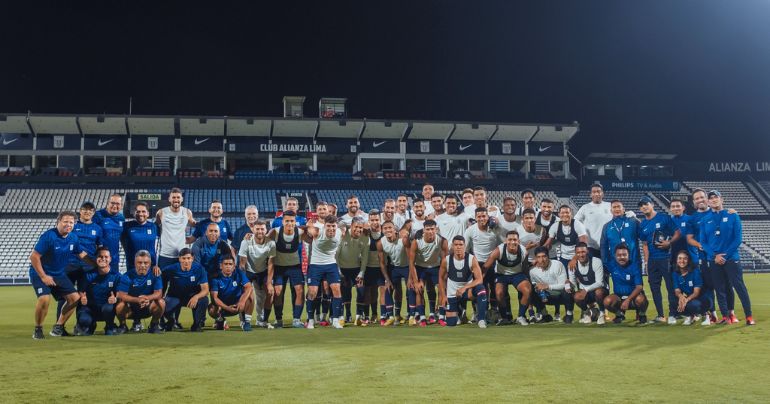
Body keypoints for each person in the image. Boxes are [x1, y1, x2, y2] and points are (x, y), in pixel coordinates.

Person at [29, 211, 96, 339]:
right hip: (40, 272)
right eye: (65, 221)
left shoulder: (73, 237)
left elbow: (81, 253)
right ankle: (38, 329)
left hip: (58, 274)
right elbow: (34, 256)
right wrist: (43, 276)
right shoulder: (49, 236)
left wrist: (96, 264)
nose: (68, 224)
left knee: (74, 298)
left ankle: (58, 327)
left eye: (71, 222)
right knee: (44, 299)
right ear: (58, 222)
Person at [700, 190, 754, 325]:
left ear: (721, 199)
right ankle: (725, 316)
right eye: (710, 198)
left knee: (739, 286)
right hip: (714, 259)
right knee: (719, 288)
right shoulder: (705, 220)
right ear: (708, 202)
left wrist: (725, 255)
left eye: (715, 197)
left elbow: (738, 239)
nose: (713, 200)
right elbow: (703, 242)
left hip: (731, 258)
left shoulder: (732, 215)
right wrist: (714, 256)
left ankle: (749, 316)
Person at [686, 188, 733, 323]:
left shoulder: (720, 213)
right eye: (697, 198)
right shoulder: (692, 218)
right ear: (694, 202)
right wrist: (700, 245)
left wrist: (732, 212)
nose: (700, 200)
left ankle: (731, 313)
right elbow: (689, 239)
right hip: (704, 258)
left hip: (723, 257)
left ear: (707, 198)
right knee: (708, 286)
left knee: (726, 285)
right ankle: (712, 313)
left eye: (702, 197)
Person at [638, 196, 681, 324]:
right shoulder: (643, 224)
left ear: (652, 205)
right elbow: (644, 244)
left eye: (646, 204)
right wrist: (646, 261)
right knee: (654, 288)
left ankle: (673, 314)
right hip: (652, 261)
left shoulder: (663, 218)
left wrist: (669, 243)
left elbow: (677, 233)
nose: (644, 207)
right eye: (641, 205)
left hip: (666, 258)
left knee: (670, 287)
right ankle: (661, 315)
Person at [57, 201, 102, 322]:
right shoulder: (72, 226)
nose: (87, 211)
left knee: (84, 296)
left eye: (90, 210)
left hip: (88, 269)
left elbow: (99, 248)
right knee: (65, 297)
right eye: (84, 209)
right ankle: (59, 325)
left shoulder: (97, 228)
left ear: (93, 212)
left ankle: (81, 324)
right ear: (80, 211)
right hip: (69, 266)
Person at [265, 211, 306, 328]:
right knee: (278, 291)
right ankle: (279, 320)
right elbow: (262, 241)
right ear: (282, 221)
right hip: (279, 267)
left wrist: (310, 228)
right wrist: (250, 236)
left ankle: (296, 320)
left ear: (295, 222)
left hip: (295, 266)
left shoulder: (300, 232)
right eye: (287, 221)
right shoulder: (275, 232)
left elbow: (314, 239)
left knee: (300, 290)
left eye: (292, 221)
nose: (289, 223)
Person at [303, 215, 344, 329]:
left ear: (337, 226)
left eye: (333, 226)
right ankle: (310, 320)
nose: (331, 228)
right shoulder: (317, 232)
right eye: (328, 226)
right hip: (315, 265)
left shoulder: (340, 232)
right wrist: (309, 225)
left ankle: (335, 320)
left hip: (331, 264)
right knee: (312, 292)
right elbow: (308, 228)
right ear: (324, 226)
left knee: (336, 290)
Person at [438, 236, 488, 328]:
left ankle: (481, 319)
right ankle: (459, 312)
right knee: (451, 323)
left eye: (461, 245)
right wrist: (443, 296)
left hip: (467, 291)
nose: (458, 247)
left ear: (465, 246)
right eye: (456, 245)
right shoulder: (446, 260)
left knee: (481, 289)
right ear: (452, 246)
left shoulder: (471, 259)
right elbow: (441, 278)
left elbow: (479, 279)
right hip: (452, 293)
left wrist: (465, 287)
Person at [484, 230, 531, 326]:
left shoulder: (524, 251)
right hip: (501, 275)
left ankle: (521, 317)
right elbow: (485, 267)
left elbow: (525, 268)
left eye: (515, 239)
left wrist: (528, 281)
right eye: (510, 239)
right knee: (499, 293)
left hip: (517, 274)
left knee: (527, 290)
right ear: (506, 241)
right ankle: (504, 318)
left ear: (518, 241)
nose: (512, 242)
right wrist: (479, 281)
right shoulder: (498, 251)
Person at [74, 247, 121, 336]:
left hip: (106, 309)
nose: (103, 259)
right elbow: (81, 291)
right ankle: (90, 325)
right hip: (90, 308)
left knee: (108, 308)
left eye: (106, 257)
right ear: (96, 258)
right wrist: (82, 297)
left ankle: (109, 326)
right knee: (84, 319)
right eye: (100, 256)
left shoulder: (117, 276)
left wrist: (115, 298)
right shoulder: (88, 275)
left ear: (110, 259)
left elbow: (120, 294)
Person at [463, 207, 500, 322]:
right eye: (479, 216)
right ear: (475, 218)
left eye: (484, 216)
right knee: (479, 288)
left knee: (494, 288)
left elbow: (501, 246)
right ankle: (477, 312)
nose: (482, 218)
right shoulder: (470, 230)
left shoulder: (495, 230)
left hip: (493, 263)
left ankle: (494, 312)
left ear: (488, 217)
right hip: (478, 264)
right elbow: (466, 249)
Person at [115, 250, 165, 334]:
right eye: (139, 262)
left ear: (150, 263)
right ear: (135, 263)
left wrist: (147, 298)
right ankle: (123, 325)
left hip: (148, 307)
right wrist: (137, 300)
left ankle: (154, 325)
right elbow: (122, 295)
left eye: (145, 263)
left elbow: (159, 293)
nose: (142, 265)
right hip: (131, 309)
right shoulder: (127, 276)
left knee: (161, 302)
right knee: (120, 305)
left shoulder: (155, 274)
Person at [408, 219, 447, 326]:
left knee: (441, 289)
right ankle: (422, 317)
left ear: (436, 229)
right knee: (419, 290)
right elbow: (411, 262)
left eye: (432, 229)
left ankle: (441, 316)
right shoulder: (416, 242)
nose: (430, 231)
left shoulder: (442, 241)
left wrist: (444, 278)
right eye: (428, 229)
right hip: (421, 268)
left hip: (436, 267)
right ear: (423, 230)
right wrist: (415, 281)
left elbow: (445, 261)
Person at [238, 220, 276, 328]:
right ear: (253, 229)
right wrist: (245, 282)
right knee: (247, 294)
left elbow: (271, 264)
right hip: (248, 271)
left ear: (266, 230)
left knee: (270, 293)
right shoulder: (246, 241)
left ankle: (263, 320)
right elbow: (242, 263)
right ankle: (243, 320)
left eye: (262, 229)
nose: (260, 231)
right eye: (257, 229)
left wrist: (269, 283)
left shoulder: (271, 243)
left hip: (262, 271)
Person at [162, 248, 209, 332]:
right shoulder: (171, 269)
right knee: (162, 305)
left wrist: (196, 297)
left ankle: (197, 324)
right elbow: (160, 276)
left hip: (191, 297)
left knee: (204, 300)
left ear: (192, 258)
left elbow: (205, 290)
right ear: (179, 259)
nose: (186, 261)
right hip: (174, 297)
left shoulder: (199, 269)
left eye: (188, 258)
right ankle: (171, 321)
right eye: (183, 258)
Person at [603, 244, 648, 324]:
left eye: (624, 255)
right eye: (619, 255)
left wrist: (628, 300)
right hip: (619, 298)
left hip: (633, 299)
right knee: (607, 301)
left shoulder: (634, 266)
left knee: (641, 299)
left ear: (628, 255)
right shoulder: (612, 265)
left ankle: (642, 314)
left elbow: (639, 287)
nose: (622, 257)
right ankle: (619, 315)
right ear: (615, 256)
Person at [336, 217, 369, 324]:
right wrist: (339, 271)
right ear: (351, 225)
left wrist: (362, 272)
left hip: (356, 269)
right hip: (343, 269)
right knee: (345, 292)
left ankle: (359, 316)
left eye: (360, 227)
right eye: (356, 227)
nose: (358, 229)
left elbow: (364, 257)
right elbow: (336, 255)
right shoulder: (343, 235)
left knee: (361, 290)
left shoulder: (365, 237)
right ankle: (347, 315)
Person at [528, 247, 574, 324]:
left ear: (548, 256)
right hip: (546, 297)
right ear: (536, 258)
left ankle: (569, 315)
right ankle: (545, 315)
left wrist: (547, 286)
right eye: (539, 257)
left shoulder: (557, 265)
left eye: (544, 256)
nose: (542, 260)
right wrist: (537, 287)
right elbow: (534, 284)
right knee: (529, 291)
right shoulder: (532, 270)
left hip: (561, 296)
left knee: (567, 289)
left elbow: (563, 285)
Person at [209, 255, 254, 331]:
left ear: (234, 267)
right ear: (221, 266)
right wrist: (227, 308)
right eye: (225, 264)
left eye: (230, 264)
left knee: (250, 295)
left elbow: (249, 287)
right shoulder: (215, 278)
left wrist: (242, 302)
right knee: (211, 309)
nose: (228, 266)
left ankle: (246, 322)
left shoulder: (239, 273)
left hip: (237, 306)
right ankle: (220, 320)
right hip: (222, 308)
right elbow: (215, 298)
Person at [156, 188, 196, 271]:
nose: (176, 200)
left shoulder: (187, 212)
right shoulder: (161, 212)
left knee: (179, 283)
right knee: (163, 282)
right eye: (173, 197)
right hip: (165, 256)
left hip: (181, 256)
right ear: (169, 199)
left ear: (182, 199)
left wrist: (192, 239)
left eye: (178, 197)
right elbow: (155, 228)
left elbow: (196, 225)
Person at [378, 220, 410, 325]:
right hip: (394, 267)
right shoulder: (380, 243)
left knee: (410, 288)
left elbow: (411, 259)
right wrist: (387, 279)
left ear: (395, 229)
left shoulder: (403, 240)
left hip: (406, 267)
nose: (388, 230)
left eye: (390, 228)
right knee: (388, 288)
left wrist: (411, 276)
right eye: (385, 228)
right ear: (382, 231)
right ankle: (391, 316)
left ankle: (408, 315)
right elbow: (382, 263)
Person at [569, 242, 607, 324]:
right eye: (578, 253)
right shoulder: (572, 265)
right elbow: (572, 283)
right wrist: (568, 285)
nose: (581, 255)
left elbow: (600, 283)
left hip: (599, 290)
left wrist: (586, 289)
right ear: (575, 254)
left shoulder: (596, 261)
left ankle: (602, 313)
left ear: (587, 252)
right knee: (576, 296)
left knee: (598, 292)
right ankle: (587, 313)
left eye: (583, 252)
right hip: (585, 293)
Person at [575, 183, 612, 259]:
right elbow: (575, 222)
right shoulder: (585, 208)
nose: (596, 194)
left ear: (602, 194)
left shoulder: (610, 206)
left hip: (608, 246)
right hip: (591, 247)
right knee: (592, 269)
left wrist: (629, 213)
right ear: (590, 194)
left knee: (606, 270)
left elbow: (620, 213)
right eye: (594, 192)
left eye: (598, 191)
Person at [599, 200, 640, 268]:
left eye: (618, 206)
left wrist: (637, 219)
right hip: (616, 264)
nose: (617, 209)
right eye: (614, 207)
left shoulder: (633, 221)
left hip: (634, 262)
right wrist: (605, 261)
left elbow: (644, 236)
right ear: (611, 211)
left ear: (623, 209)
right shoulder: (607, 226)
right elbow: (603, 246)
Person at [672, 250, 709, 325]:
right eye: (679, 258)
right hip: (689, 298)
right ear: (676, 260)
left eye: (685, 258)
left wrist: (686, 300)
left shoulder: (695, 272)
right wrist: (681, 297)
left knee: (693, 305)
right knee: (674, 302)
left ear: (688, 260)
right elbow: (677, 290)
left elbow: (696, 293)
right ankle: (690, 316)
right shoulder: (675, 273)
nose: (682, 261)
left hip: (702, 299)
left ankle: (705, 315)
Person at [360, 209, 384, 325]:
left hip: (380, 268)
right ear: (368, 221)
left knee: (377, 291)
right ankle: (366, 315)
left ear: (380, 220)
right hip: (367, 267)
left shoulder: (385, 232)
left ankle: (376, 314)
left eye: (377, 220)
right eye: (372, 220)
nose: (375, 222)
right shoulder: (365, 233)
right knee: (366, 292)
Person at [121, 202, 158, 274]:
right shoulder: (126, 226)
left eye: (143, 211)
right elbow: (122, 241)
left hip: (150, 267)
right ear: (134, 213)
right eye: (138, 211)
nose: (141, 214)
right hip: (133, 267)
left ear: (148, 213)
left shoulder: (153, 226)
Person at [94, 194, 125, 274]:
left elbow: (122, 237)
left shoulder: (121, 218)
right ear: (107, 203)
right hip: (100, 258)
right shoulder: (97, 215)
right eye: (112, 203)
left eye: (118, 204)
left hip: (114, 259)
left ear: (121, 206)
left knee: (113, 284)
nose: (115, 206)